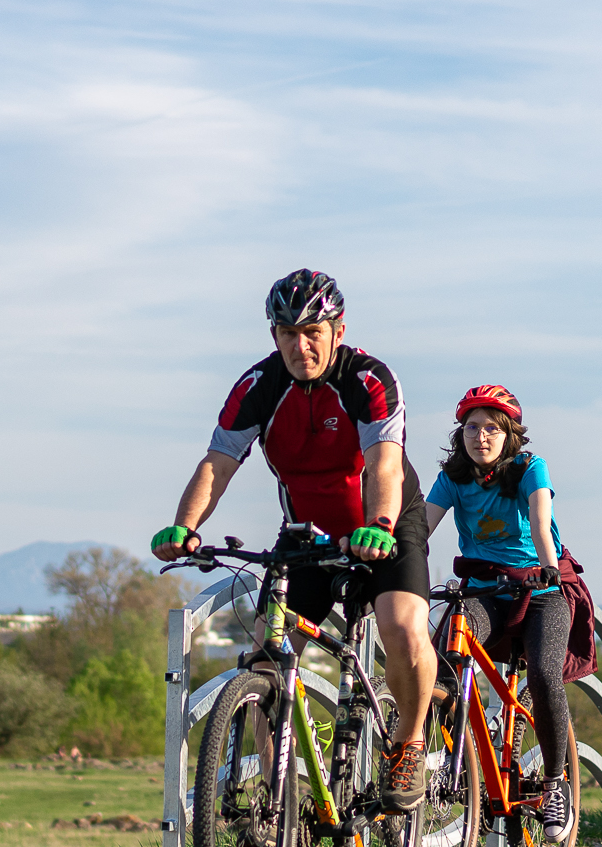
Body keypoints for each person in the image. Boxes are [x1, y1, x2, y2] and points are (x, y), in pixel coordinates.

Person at [151, 270, 435, 810]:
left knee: (401, 626)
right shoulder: (258, 388)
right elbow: (217, 463)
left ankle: (409, 743)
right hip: (309, 532)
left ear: (338, 329)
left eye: (313, 332)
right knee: (264, 656)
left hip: (387, 520)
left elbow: (386, 465)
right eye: (287, 333)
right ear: (274, 335)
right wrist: (185, 527)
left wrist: (377, 524)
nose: (300, 346)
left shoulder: (369, 379)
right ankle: (276, 795)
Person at [422, 385, 596, 843]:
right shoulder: (453, 478)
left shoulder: (529, 469)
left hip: (542, 589)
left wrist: (545, 566)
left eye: (492, 428)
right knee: (443, 657)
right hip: (484, 593)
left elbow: (541, 523)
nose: (481, 436)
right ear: (461, 433)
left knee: (542, 674)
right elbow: (419, 528)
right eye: (472, 427)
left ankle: (555, 784)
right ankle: (445, 759)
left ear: (509, 434)